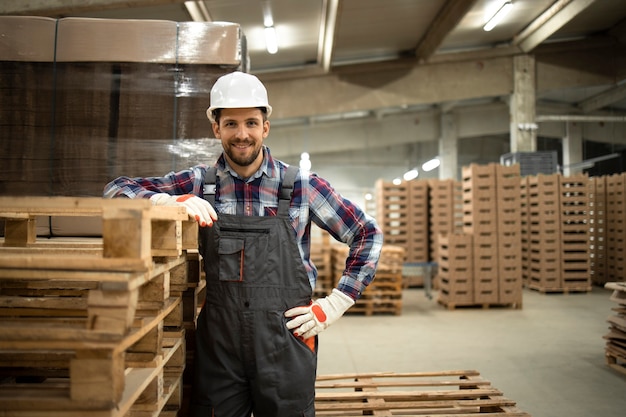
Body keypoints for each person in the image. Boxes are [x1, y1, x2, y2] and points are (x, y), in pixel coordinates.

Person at [103, 71, 383, 417]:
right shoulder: (199, 184)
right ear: (216, 128)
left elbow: (367, 233)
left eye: (251, 122)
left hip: (286, 340)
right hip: (221, 346)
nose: (242, 134)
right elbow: (116, 189)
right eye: (231, 123)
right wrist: (168, 202)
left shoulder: (301, 187)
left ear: (265, 126)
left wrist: (335, 303)